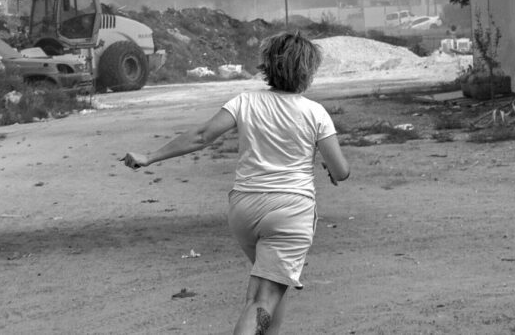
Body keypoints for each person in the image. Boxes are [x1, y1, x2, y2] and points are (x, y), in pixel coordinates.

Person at [122, 32, 350, 335]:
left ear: (268, 65)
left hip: (245, 210)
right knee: (263, 298)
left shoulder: (245, 101)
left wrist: (150, 157)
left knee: (269, 289)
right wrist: (330, 169)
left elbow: (201, 135)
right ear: (308, 70)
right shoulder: (314, 112)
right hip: (290, 212)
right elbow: (341, 170)